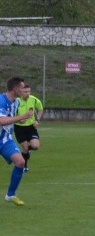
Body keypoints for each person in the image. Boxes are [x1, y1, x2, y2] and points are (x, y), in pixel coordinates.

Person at [1, 77, 31, 206]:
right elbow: (1, 121)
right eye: (22, 87)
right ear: (15, 89)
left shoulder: (17, 102)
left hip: (5, 139)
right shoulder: (1, 100)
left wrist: (20, 120)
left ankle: (10, 195)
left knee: (20, 162)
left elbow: (11, 118)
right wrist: (22, 117)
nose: (24, 90)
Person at [13, 83, 43, 172]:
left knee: (36, 146)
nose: (27, 93)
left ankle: (26, 151)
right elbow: (10, 115)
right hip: (19, 128)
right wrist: (18, 120)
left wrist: (37, 120)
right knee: (25, 148)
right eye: (25, 91)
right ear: (21, 91)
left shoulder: (34, 100)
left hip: (31, 127)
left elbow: (40, 109)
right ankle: (24, 166)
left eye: (29, 91)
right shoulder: (16, 101)